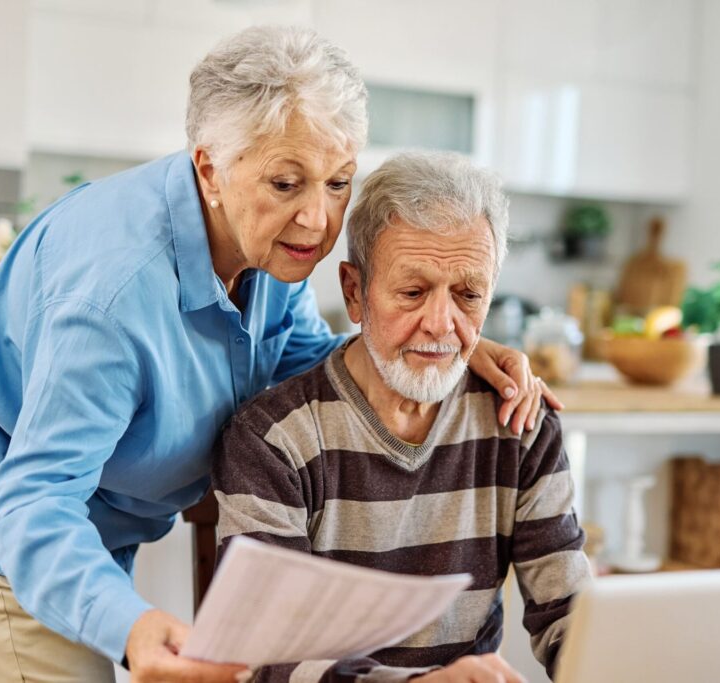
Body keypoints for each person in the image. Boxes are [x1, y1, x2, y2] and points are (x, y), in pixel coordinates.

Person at [0, 27, 556, 683]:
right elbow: (32, 501)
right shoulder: (111, 295)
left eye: (338, 182)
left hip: (84, 527)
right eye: (286, 183)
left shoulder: (267, 251)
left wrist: (434, 345)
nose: (317, 220)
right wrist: (130, 627)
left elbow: (314, 364)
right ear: (210, 170)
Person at [213, 152, 592, 683]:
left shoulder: (520, 425)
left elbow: (571, 614)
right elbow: (269, 649)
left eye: (468, 294)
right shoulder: (274, 439)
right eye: (412, 292)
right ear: (354, 292)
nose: (441, 324)